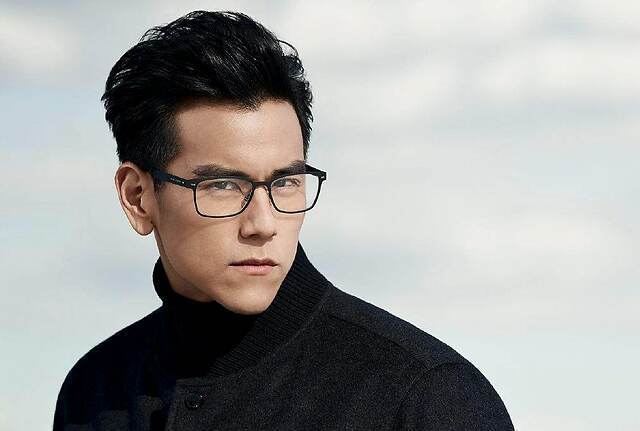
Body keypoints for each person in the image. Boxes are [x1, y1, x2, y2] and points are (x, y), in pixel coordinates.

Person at [53, 10, 514, 430]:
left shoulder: (427, 398)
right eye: (222, 185)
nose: (263, 223)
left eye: (286, 182)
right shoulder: (94, 390)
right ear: (138, 197)